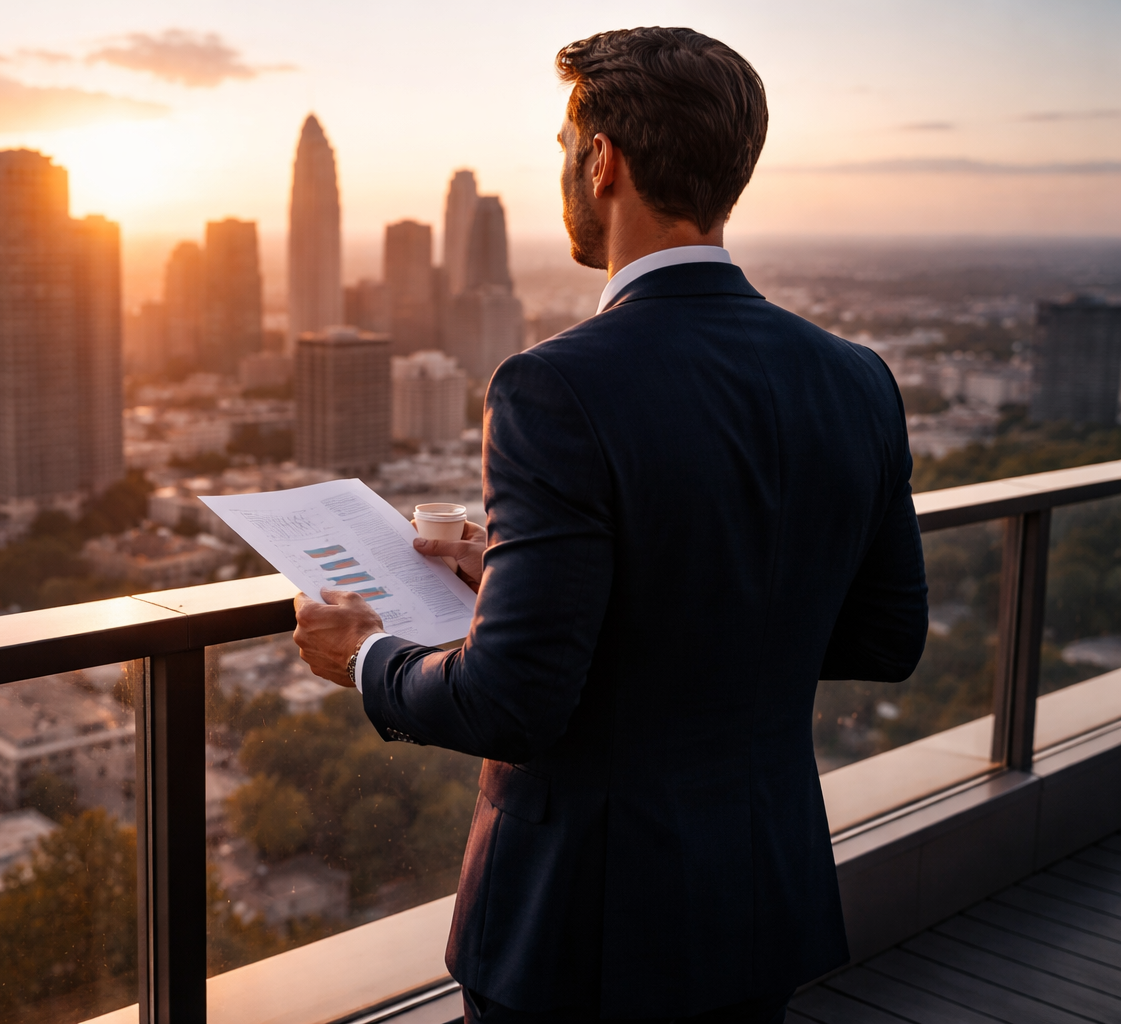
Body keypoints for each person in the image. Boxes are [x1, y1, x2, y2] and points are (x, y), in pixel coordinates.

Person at [292, 26, 928, 1024]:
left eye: (563, 144)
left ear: (604, 162)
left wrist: (367, 656)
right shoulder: (856, 380)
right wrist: (525, 582)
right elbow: (884, 636)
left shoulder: (557, 387)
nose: (563, 165)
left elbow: (513, 702)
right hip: (759, 899)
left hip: (581, 931)